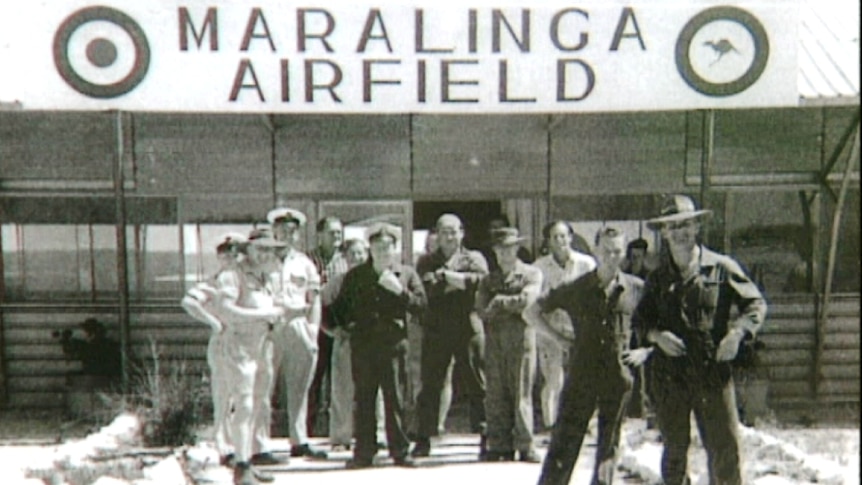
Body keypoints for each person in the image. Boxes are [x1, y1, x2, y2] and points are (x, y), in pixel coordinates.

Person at [634, 194, 767, 485]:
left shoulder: (721, 267)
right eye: (673, 227)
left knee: (725, 450)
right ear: (664, 233)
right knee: (675, 453)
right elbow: (640, 320)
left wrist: (737, 333)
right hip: (670, 376)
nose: (680, 232)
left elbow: (755, 305)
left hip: (712, 372)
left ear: (696, 228)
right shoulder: (657, 278)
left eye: (686, 225)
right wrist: (657, 335)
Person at [526, 227, 647, 485]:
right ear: (595, 251)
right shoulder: (577, 288)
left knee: (608, 447)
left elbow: (658, 323)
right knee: (564, 442)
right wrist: (559, 339)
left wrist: (645, 350)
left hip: (617, 377)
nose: (611, 257)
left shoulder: (636, 289)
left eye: (617, 251)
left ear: (624, 254)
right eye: (605, 251)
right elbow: (532, 312)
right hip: (582, 375)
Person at [331, 223, 428, 468]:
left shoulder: (406, 274)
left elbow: (422, 307)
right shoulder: (356, 276)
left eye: (388, 247)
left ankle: (400, 450)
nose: (383, 251)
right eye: (377, 247)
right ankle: (364, 452)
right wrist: (348, 327)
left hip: (394, 347)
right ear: (370, 249)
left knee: (396, 398)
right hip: (364, 347)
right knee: (363, 400)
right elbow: (340, 308)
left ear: (395, 248)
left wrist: (400, 291)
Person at [213, 229, 292, 485]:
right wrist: (264, 315)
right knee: (244, 406)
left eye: (270, 249)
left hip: (262, 346)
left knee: (257, 405)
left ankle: (249, 460)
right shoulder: (232, 275)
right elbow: (225, 310)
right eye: (260, 248)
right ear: (247, 249)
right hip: (239, 346)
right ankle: (241, 466)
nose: (265, 254)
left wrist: (276, 319)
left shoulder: (266, 277)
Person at [413, 213, 489, 458]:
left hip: (468, 326)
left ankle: (486, 435)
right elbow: (429, 290)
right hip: (437, 328)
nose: (449, 236)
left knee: (477, 383)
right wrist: (460, 282)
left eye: (454, 231)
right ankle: (423, 437)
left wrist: (445, 277)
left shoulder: (474, 257)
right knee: (431, 384)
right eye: (444, 231)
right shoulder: (426, 261)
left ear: (462, 232)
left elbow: (481, 284)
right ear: (436, 234)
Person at [475, 227, 543, 462]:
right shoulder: (488, 280)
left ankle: (525, 444)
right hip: (495, 342)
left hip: (521, 340)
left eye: (510, 247)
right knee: (495, 393)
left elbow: (527, 300)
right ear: (494, 251)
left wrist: (500, 302)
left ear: (517, 248)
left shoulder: (531, 274)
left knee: (521, 392)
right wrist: (506, 306)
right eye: (501, 249)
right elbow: (482, 310)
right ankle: (499, 443)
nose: (506, 253)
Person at [180, 232, 247, 467]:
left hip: (248, 343)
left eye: (237, 251)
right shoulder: (216, 280)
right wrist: (213, 322)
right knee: (224, 397)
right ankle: (225, 447)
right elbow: (189, 302)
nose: (232, 256)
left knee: (246, 401)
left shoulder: (247, 279)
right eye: (226, 252)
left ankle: (243, 451)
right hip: (225, 343)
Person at [267, 207, 328, 460]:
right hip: (270, 327)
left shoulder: (304, 263)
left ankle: (299, 440)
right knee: (263, 387)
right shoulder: (263, 259)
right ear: (274, 231)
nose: (287, 235)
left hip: (298, 323)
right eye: (282, 230)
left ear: (298, 235)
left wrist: (312, 331)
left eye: (292, 232)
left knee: (300, 386)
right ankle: (258, 444)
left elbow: (314, 299)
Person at [321, 238, 387, 451]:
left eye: (360, 253)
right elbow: (320, 309)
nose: (357, 258)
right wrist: (332, 331)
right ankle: (341, 436)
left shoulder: (378, 276)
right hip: (347, 342)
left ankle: (379, 434)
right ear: (344, 257)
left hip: (373, 341)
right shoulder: (337, 282)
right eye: (352, 254)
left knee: (376, 391)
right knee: (342, 390)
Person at [530, 221, 596, 429]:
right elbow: (535, 306)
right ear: (548, 241)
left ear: (571, 237)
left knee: (584, 379)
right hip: (550, 331)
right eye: (554, 237)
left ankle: (584, 424)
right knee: (554, 380)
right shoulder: (539, 267)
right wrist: (553, 335)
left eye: (563, 236)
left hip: (580, 329)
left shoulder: (586, 264)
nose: (560, 241)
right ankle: (553, 426)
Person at [306, 217, 348, 437]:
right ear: (320, 235)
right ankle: (308, 428)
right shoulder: (309, 260)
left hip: (339, 324)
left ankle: (337, 429)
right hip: (315, 324)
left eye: (339, 233)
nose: (336, 237)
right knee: (314, 377)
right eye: (332, 233)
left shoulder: (345, 260)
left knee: (339, 379)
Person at [621, 237, 653, 421]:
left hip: (643, 324)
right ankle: (629, 408)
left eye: (639, 256)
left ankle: (642, 408)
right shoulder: (623, 274)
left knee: (643, 370)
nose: (636, 260)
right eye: (633, 256)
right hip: (627, 325)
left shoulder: (649, 276)